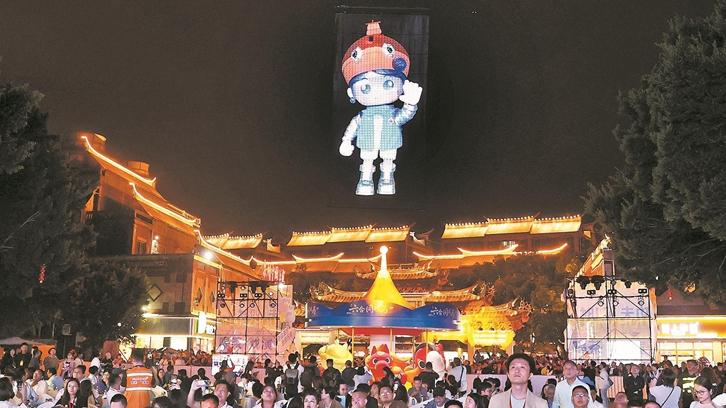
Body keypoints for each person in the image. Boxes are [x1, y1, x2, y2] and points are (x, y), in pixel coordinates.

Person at [337, 20, 423, 196]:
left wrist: (411, 104)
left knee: (388, 159)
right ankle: (365, 179)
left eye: (388, 83)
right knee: (367, 160)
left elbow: (404, 116)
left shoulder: (393, 114)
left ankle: (387, 178)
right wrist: (346, 141)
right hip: (367, 143)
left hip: (389, 141)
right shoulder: (362, 116)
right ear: (351, 93)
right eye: (365, 87)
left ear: (402, 86)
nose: (376, 92)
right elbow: (352, 127)